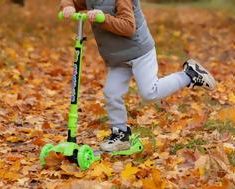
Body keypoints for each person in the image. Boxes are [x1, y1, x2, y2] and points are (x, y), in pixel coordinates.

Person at [60, 0, 216, 152]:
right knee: (111, 93)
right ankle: (120, 135)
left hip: (139, 51)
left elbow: (129, 27)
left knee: (150, 93)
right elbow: (73, 2)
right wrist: (67, 6)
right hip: (118, 57)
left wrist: (103, 18)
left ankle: (189, 74)